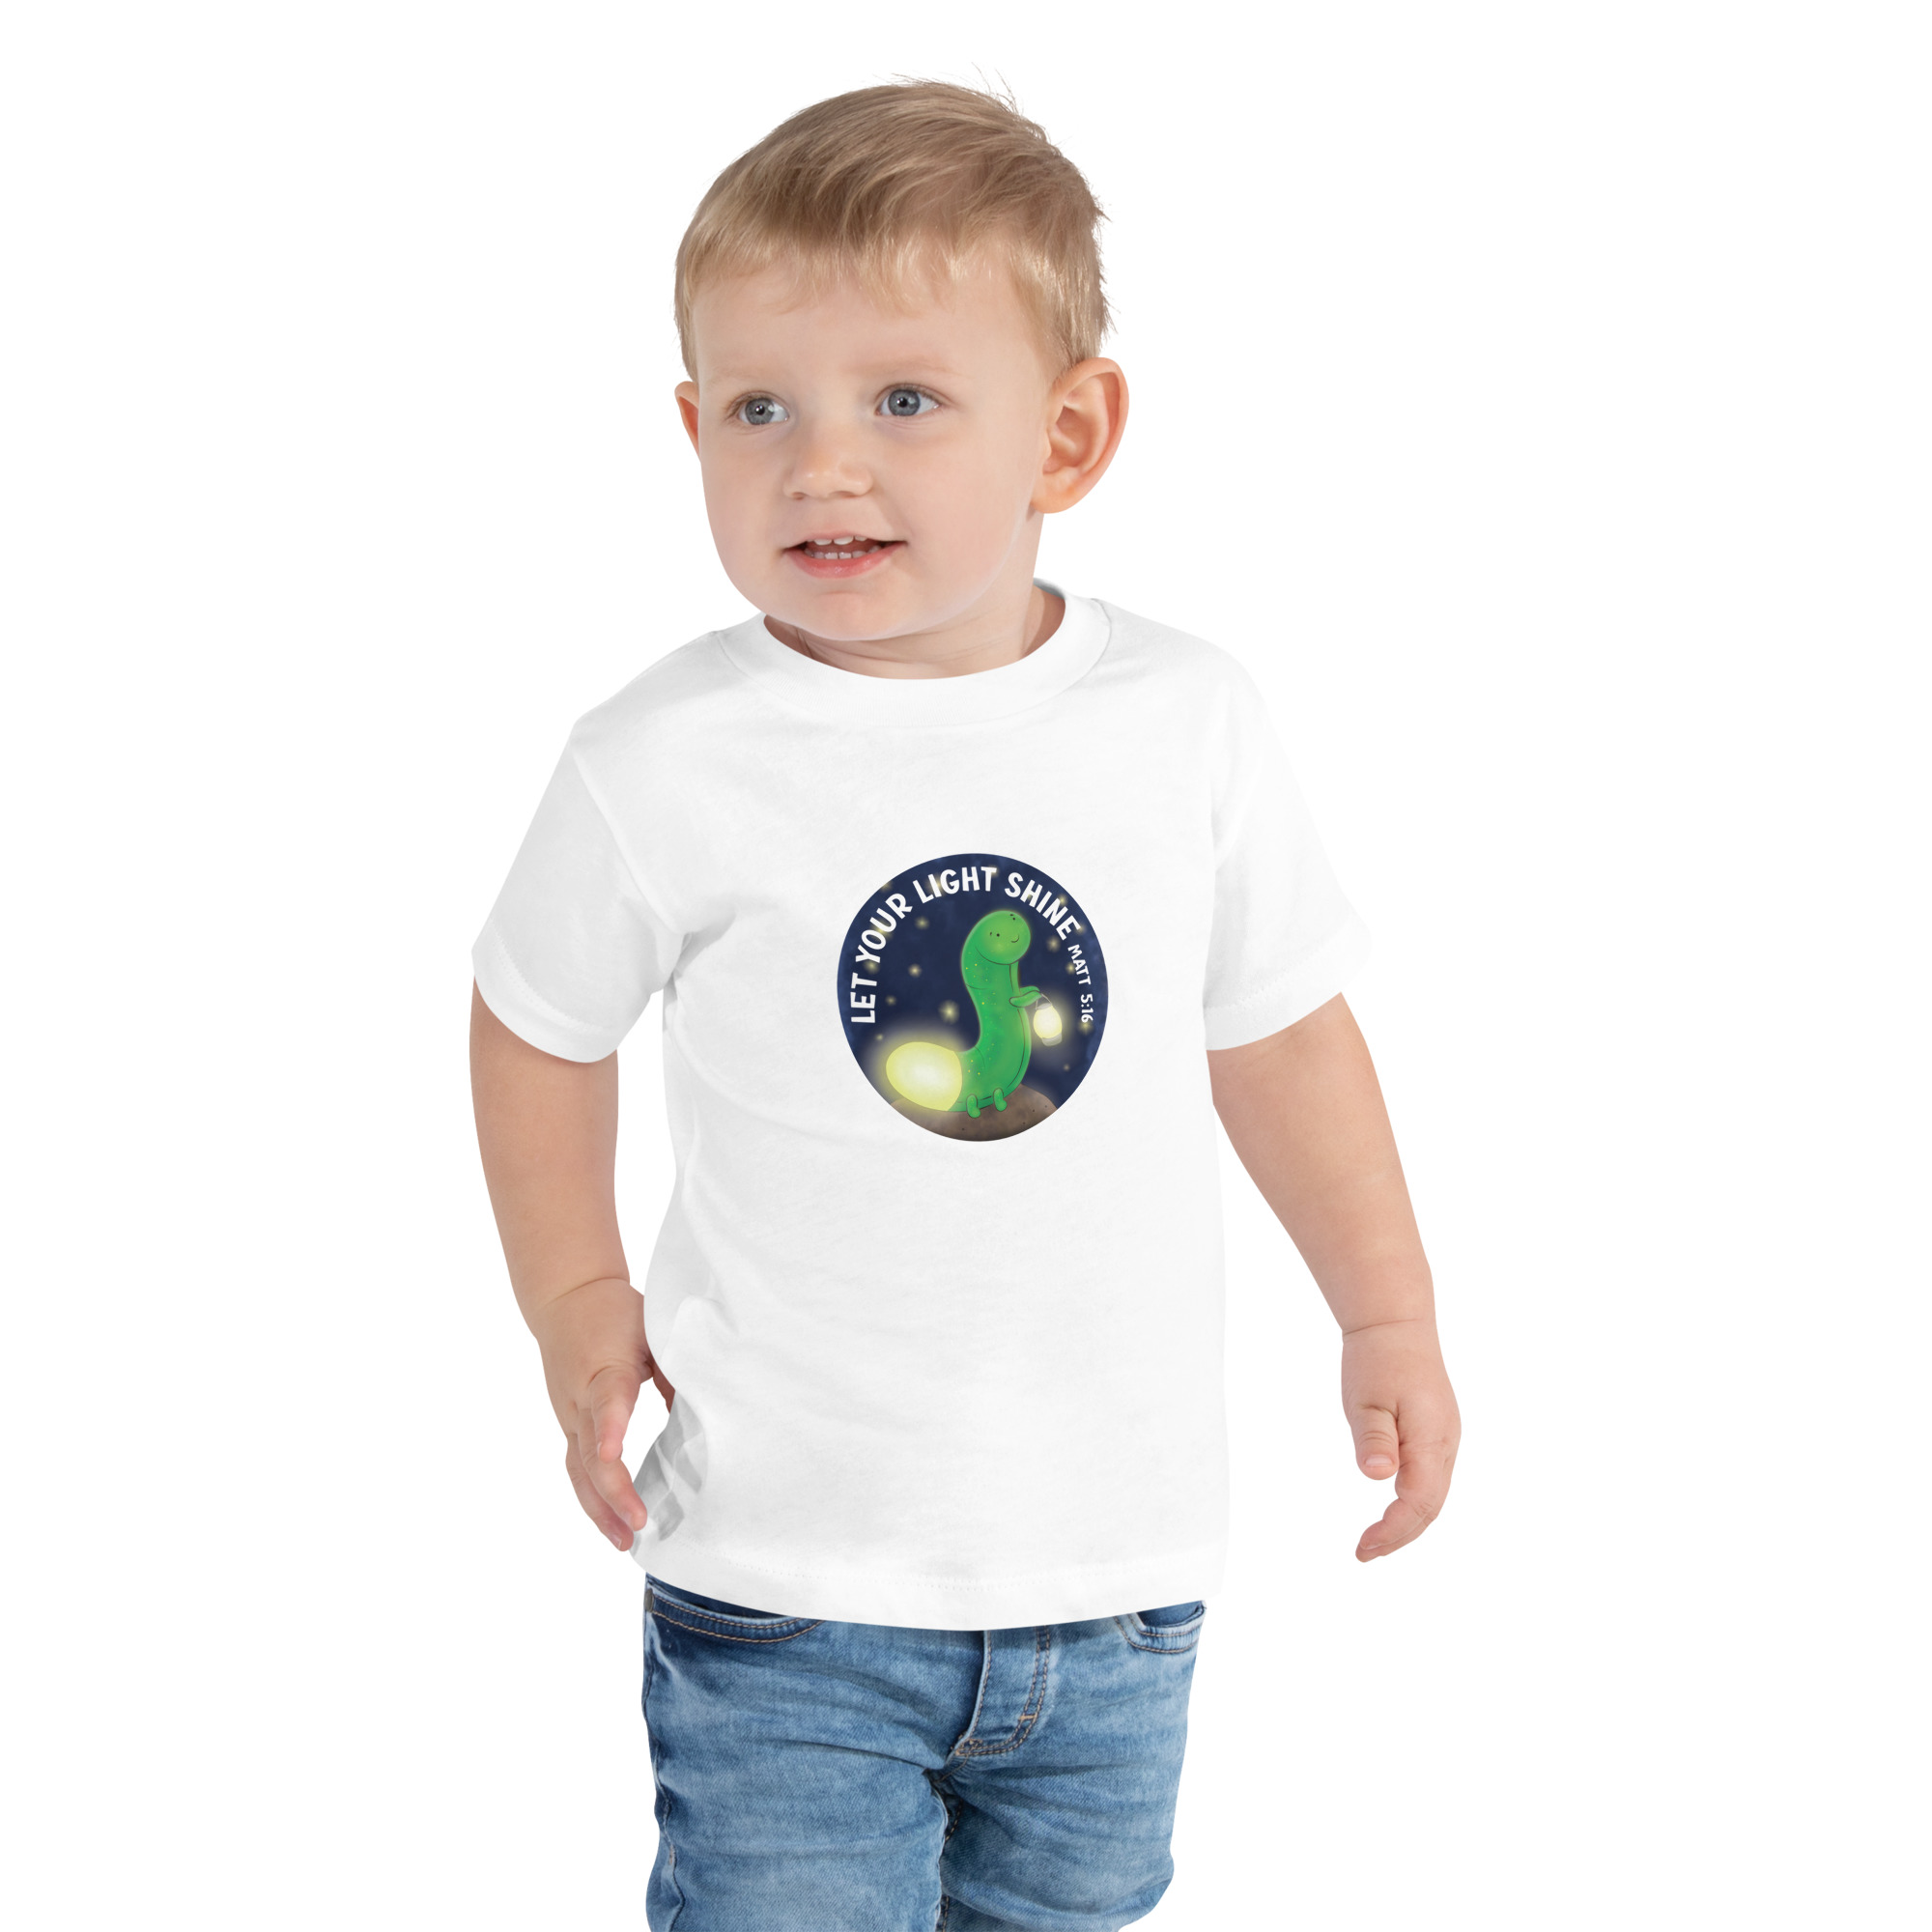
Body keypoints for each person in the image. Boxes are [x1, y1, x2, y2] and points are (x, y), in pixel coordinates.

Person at [469, 78, 1460, 1932]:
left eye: (905, 401)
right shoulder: (664, 758)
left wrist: (1386, 1309)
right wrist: (575, 1298)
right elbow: (535, 1023)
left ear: (1067, 435)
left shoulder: (1186, 722)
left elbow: (1279, 1032)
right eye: (760, 409)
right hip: (786, 1583)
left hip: (1117, 1577)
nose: (822, 465)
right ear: (692, 428)